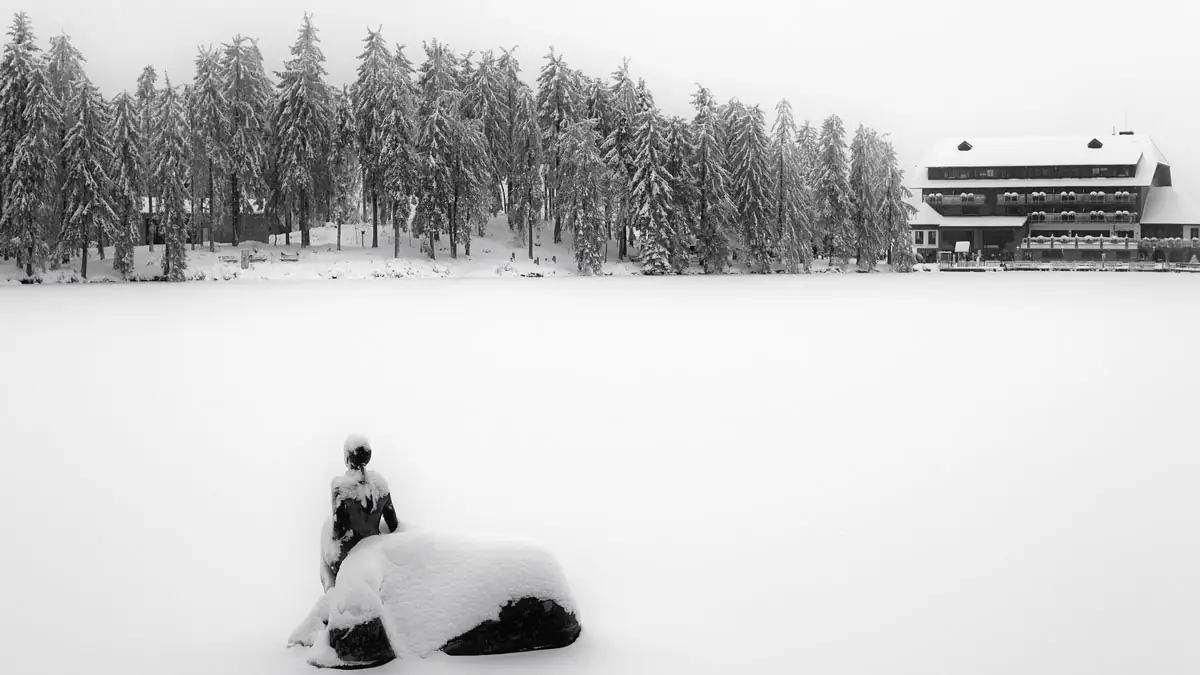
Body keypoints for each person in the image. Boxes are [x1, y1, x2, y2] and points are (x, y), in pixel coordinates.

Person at [321, 434, 400, 590]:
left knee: (324, 538)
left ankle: (331, 592)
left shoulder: (340, 487)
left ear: (347, 458)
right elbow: (393, 524)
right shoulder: (381, 483)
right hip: (374, 546)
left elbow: (339, 529)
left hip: (351, 552)